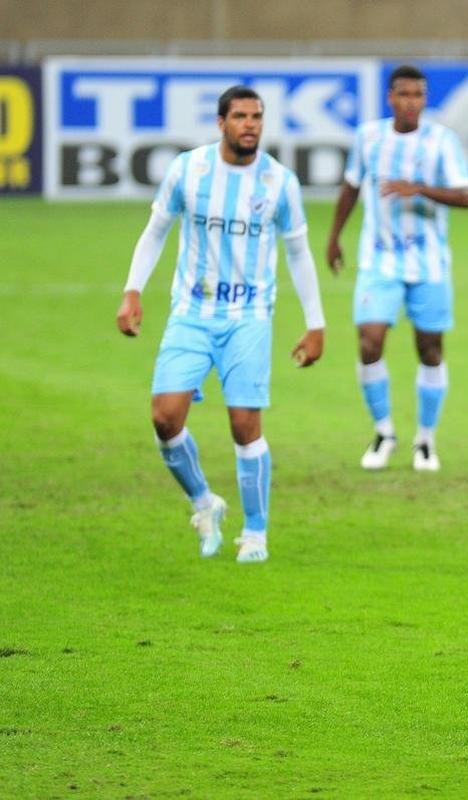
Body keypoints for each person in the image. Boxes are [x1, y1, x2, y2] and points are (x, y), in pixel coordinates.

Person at [115, 85, 326, 564]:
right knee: (164, 418)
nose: (250, 124)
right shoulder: (188, 170)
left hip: (249, 317)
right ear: (221, 122)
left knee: (244, 425)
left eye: (257, 116)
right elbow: (155, 233)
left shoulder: (279, 182)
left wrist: (315, 324)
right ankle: (204, 502)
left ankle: (255, 532)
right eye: (240, 116)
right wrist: (133, 290)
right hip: (190, 313)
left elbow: (298, 253)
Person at [326, 64, 468, 472]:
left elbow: (465, 197)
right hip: (379, 259)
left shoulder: (442, 140)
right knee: (369, 342)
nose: (412, 102)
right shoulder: (368, 137)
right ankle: (383, 431)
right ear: (390, 97)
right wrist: (335, 235)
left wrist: (419, 188)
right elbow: (352, 185)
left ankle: (425, 439)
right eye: (404, 94)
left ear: (425, 100)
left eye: (419, 95)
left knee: (429, 349)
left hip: (429, 263)